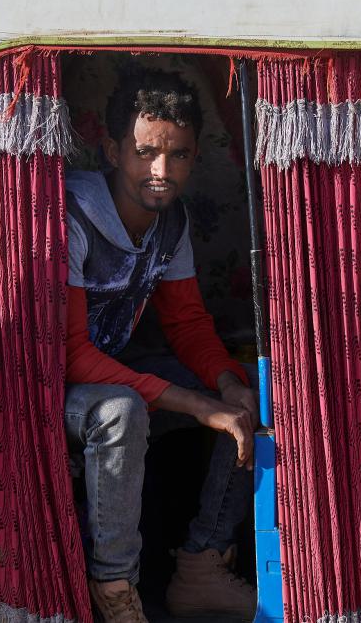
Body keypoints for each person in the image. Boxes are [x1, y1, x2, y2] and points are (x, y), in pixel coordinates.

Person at [64, 67, 257, 623]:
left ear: (195, 156)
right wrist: (199, 405)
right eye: (146, 152)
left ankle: (201, 564)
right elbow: (72, 355)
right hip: (55, 384)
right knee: (122, 412)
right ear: (112, 148)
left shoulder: (171, 222)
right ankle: (115, 586)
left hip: (119, 365)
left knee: (246, 392)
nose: (161, 171)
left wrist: (222, 385)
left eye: (177, 156)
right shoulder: (72, 215)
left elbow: (188, 323)